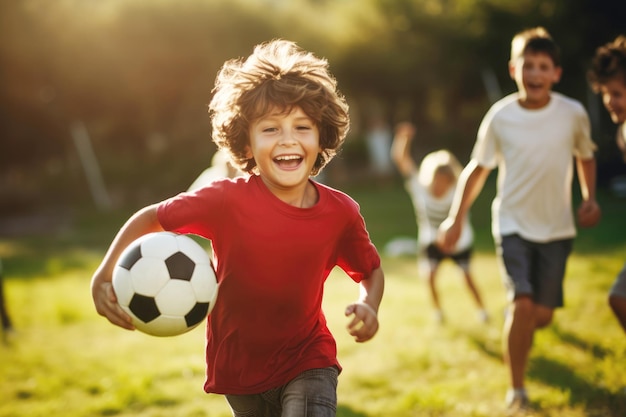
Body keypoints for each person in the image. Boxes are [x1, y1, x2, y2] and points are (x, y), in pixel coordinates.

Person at [91, 39, 385, 417]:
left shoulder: (340, 212)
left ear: (321, 136)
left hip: (309, 358)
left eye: (302, 127)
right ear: (245, 145)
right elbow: (151, 218)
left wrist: (369, 303)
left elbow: (371, 269)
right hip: (239, 369)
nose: (288, 139)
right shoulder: (226, 201)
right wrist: (103, 274)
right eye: (271, 129)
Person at [437, 27, 601, 414]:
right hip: (511, 223)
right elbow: (477, 170)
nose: (536, 74)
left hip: (557, 227)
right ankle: (517, 391)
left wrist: (590, 197)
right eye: (528, 66)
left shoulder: (572, 114)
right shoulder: (501, 116)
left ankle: (524, 324)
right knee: (523, 305)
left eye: (543, 67)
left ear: (556, 73)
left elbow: (586, 155)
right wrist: (454, 219)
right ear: (514, 69)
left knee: (541, 315)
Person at [390, 122, 488, 324]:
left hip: (458, 240)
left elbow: (475, 180)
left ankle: (482, 311)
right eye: (437, 179)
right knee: (430, 276)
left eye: (445, 180)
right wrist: (404, 138)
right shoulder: (420, 188)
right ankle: (438, 312)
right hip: (431, 241)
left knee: (467, 277)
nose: (440, 185)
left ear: (452, 180)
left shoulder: (457, 193)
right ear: (430, 177)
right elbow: (401, 160)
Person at [588, 34, 626, 334]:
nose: (609, 101)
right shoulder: (622, 134)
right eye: (605, 93)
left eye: (617, 93)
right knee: (619, 299)